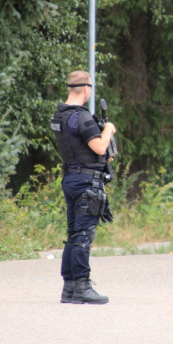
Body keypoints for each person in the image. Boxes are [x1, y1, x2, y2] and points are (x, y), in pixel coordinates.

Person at [50, 70, 116, 305]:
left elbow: (79, 147)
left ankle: (69, 289)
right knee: (83, 235)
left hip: (71, 179)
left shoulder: (59, 117)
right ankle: (82, 286)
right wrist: (108, 130)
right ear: (86, 89)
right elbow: (99, 147)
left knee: (74, 234)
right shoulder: (82, 116)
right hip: (86, 182)